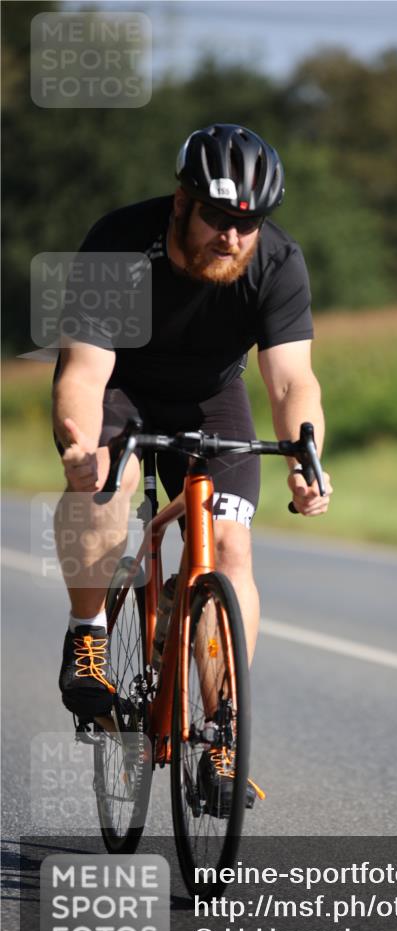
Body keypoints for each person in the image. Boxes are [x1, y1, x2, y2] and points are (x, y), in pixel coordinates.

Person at [52, 123, 332, 809]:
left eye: (248, 223)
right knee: (106, 491)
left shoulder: (277, 262)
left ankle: (222, 739)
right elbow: (84, 374)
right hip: (119, 385)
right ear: (182, 202)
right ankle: (88, 636)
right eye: (217, 218)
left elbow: (292, 380)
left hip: (210, 397)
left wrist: (306, 454)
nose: (232, 237)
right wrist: (81, 447)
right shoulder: (120, 241)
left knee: (230, 548)